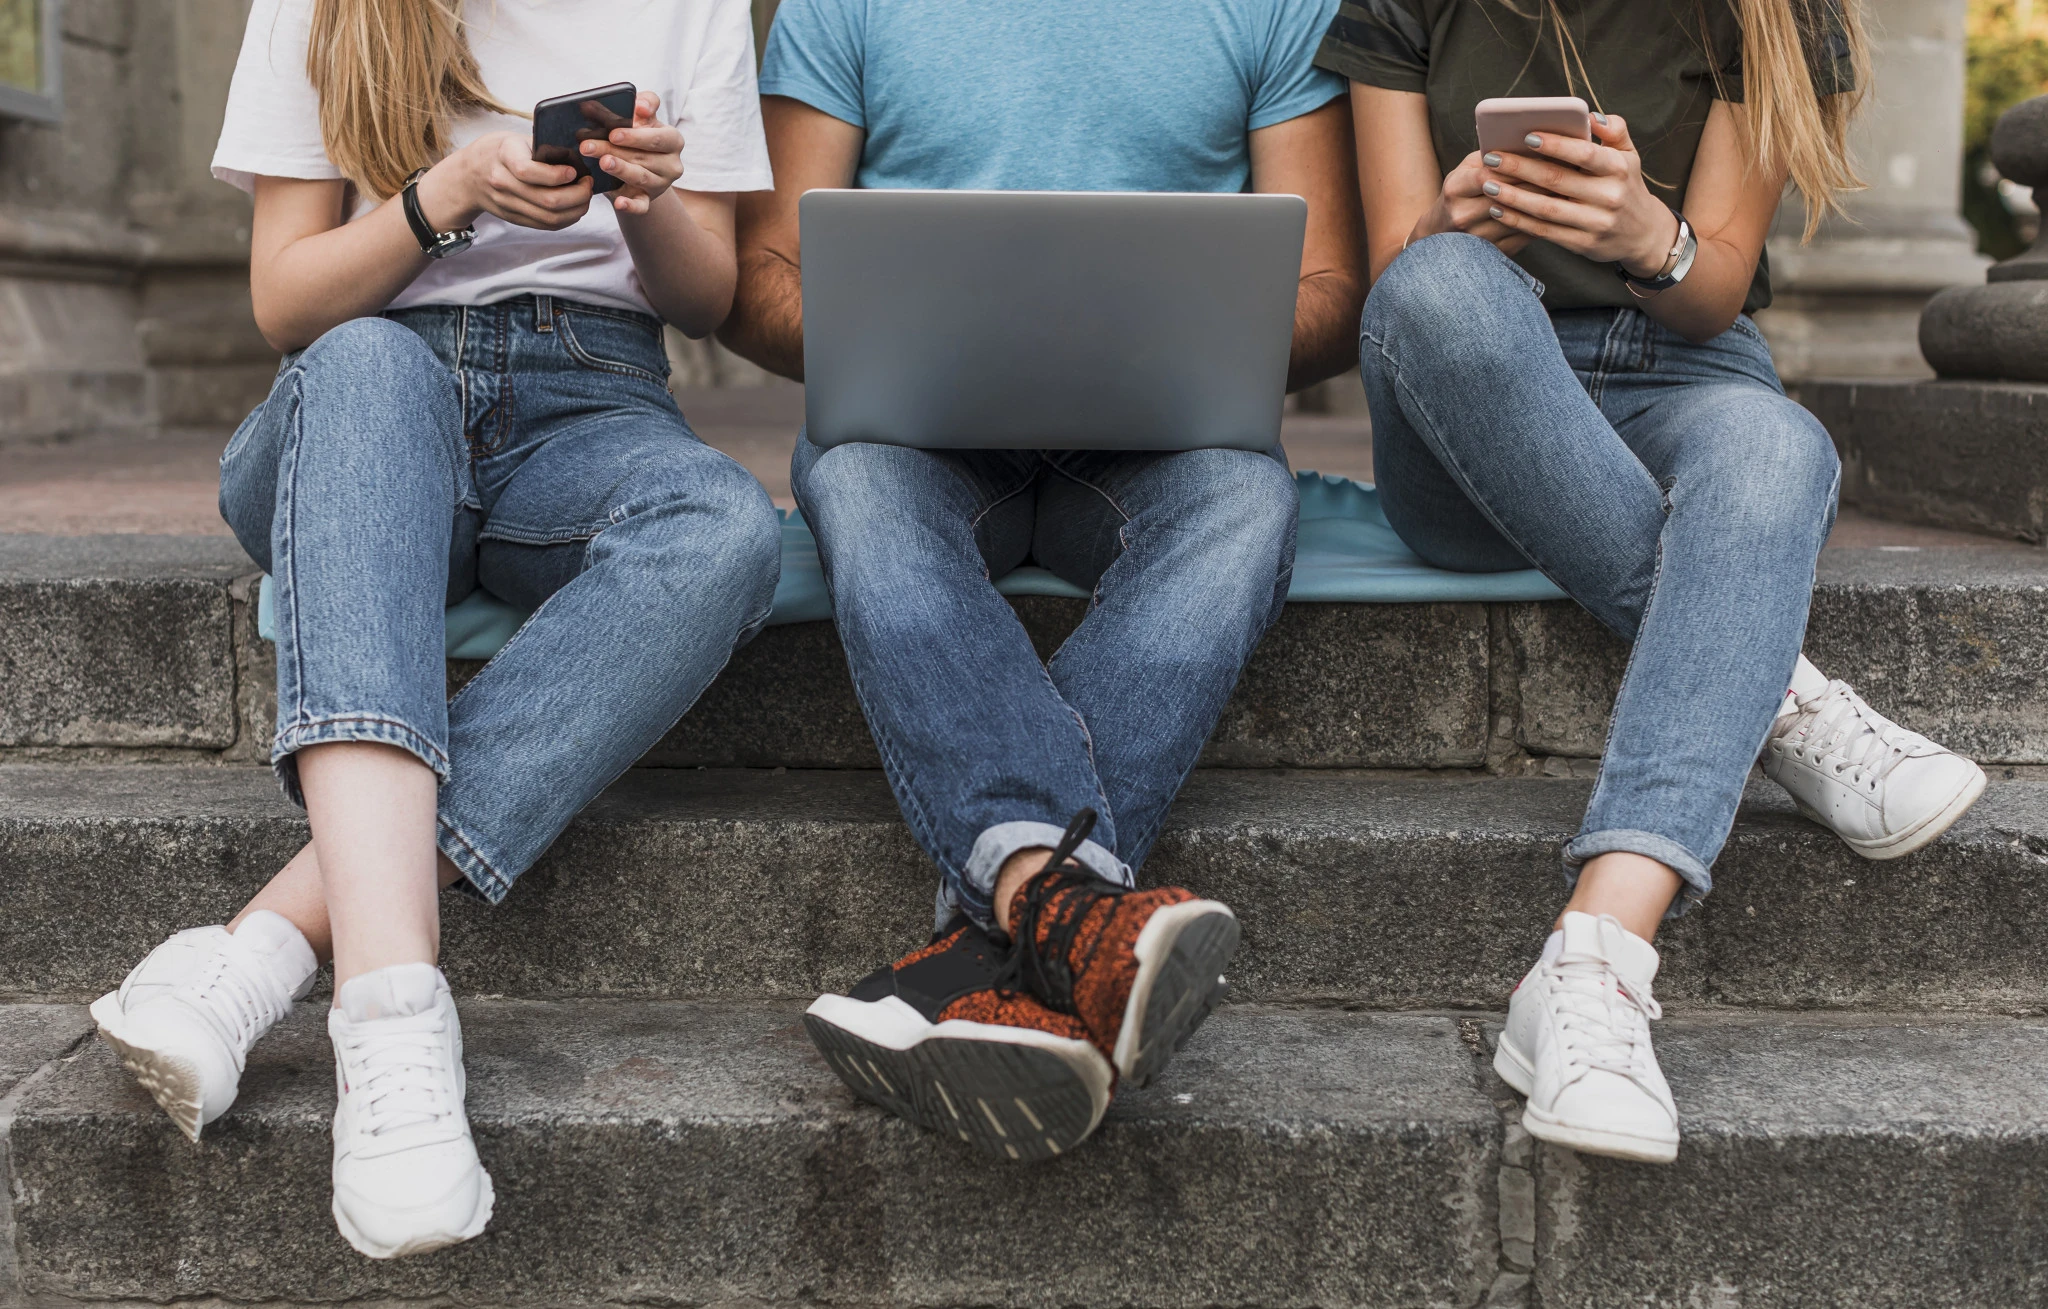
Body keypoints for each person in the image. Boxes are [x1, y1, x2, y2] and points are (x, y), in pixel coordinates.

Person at [88, 0, 779, 1257]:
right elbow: (286, 304)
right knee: (364, 365)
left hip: (592, 395)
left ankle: (264, 948)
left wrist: (647, 202)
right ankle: (395, 1016)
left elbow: (707, 296)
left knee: (725, 528)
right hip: (359, 384)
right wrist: (442, 193)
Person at [1319, 0, 1987, 1164]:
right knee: (1434, 285)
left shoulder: (1773, 15)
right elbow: (1393, 277)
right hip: (1466, 389)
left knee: (1778, 447)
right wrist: (1450, 222)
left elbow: (1711, 288)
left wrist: (1646, 234)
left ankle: (1594, 961)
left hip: (1674, 366)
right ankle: (1774, 687)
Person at [718, 0, 1365, 1160]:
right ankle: (1065, 918)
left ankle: (985, 940)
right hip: (912, 435)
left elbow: (1329, 288)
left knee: (1246, 507)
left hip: (1160, 441)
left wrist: (1157, 340)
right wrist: (921, 338)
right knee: (858, 489)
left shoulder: (1275, 7)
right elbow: (757, 276)